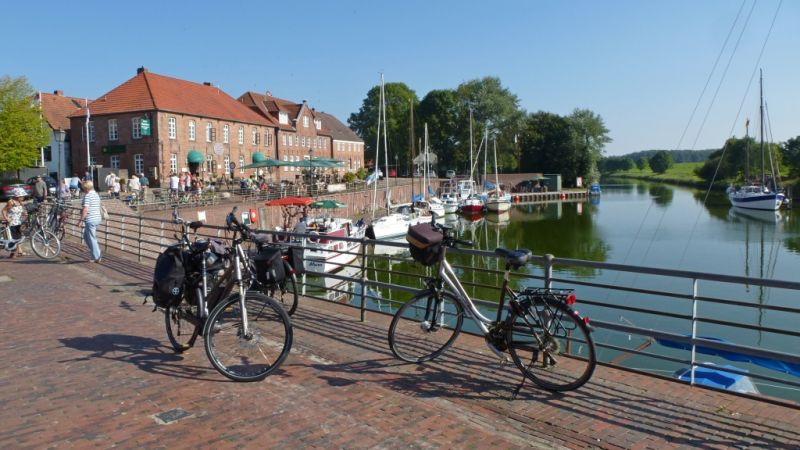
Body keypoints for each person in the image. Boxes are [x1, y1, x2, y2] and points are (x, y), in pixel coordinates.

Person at [2, 188, 29, 258]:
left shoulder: (20, 202)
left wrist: (24, 213)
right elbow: (4, 210)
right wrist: (6, 218)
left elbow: (21, 211)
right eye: (22, 196)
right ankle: (13, 253)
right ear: (17, 196)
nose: (23, 197)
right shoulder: (11, 202)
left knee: (19, 237)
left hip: (18, 222)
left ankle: (20, 251)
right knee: (13, 238)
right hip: (12, 223)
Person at [80, 181, 103, 262]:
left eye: (83, 188)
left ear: (86, 188)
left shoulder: (88, 196)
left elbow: (85, 209)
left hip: (91, 219)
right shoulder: (96, 195)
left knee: (91, 238)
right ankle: (95, 253)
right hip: (97, 218)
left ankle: (97, 256)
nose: (83, 190)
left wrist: (80, 220)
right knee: (86, 237)